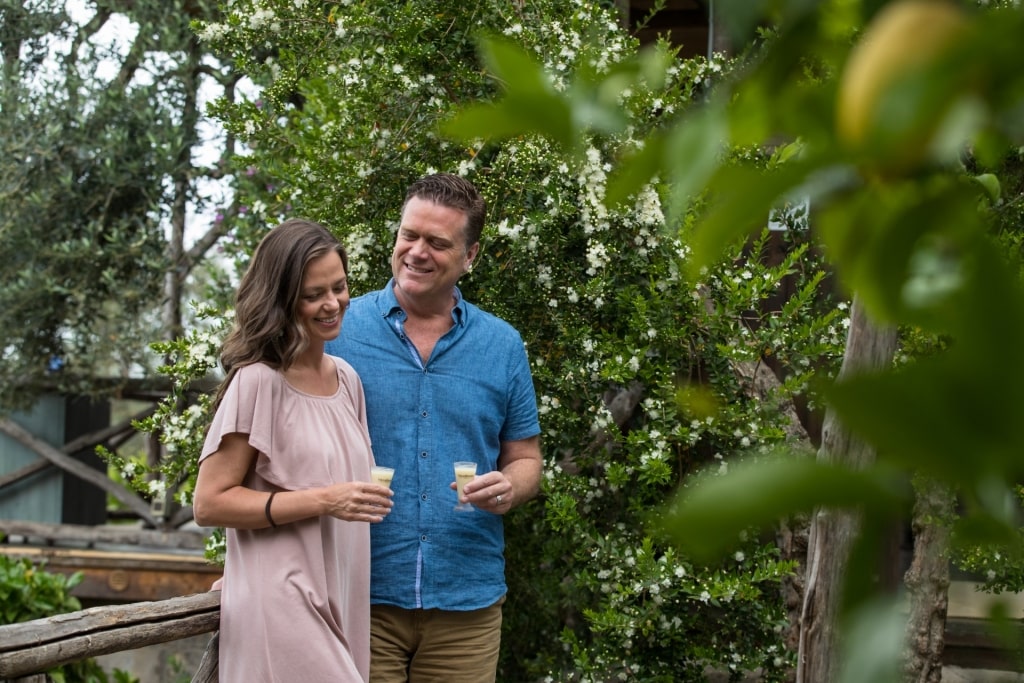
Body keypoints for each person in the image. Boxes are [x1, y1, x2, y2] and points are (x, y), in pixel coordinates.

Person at [325, 173, 543, 683]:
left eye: (437, 242)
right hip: (358, 593)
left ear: (470, 256)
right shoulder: (335, 332)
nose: (416, 252)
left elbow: (527, 457)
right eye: (409, 235)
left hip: (466, 605)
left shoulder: (502, 345)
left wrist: (512, 486)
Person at [193, 218, 394, 682]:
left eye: (339, 287)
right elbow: (209, 502)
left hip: (342, 599)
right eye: (313, 294)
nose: (332, 304)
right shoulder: (257, 382)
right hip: (283, 602)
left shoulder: (348, 381)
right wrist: (326, 500)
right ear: (282, 300)